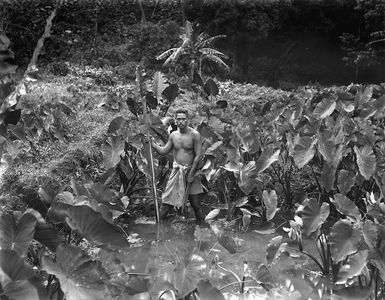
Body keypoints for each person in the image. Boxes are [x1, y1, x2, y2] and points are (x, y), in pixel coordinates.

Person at [145, 108, 205, 222]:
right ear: (176, 121)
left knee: (196, 205)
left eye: (183, 119)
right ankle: (158, 229)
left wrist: (191, 174)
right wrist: (153, 144)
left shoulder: (195, 135)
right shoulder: (173, 135)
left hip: (191, 170)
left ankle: (203, 228)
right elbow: (164, 151)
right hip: (177, 171)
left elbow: (199, 156)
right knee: (167, 203)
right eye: (179, 119)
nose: (181, 121)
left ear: (187, 120)